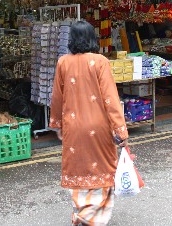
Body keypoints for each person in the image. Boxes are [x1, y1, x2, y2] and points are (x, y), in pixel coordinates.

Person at [49, 20, 129, 226]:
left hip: (73, 128)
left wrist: (58, 124)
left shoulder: (63, 62)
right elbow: (110, 98)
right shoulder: (100, 61)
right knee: (102, 169)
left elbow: (57, 97)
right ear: (92, 38)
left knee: (79, 169)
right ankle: (92, 219)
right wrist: (120, 129)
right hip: (99, 127)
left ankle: (82, 213)